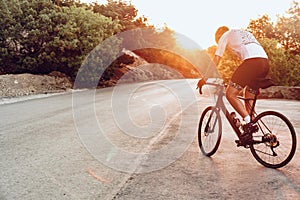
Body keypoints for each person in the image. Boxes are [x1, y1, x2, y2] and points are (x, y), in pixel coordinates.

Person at [197, 26, 270, 145]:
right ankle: (251, 125)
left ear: (218, 36)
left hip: (252, 63)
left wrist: (204, 78)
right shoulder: (244, 34)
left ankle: (248, 123)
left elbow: (216, 59)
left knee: (230, 94)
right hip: (264, 63)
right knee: (248, 95)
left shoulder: (225, 35)